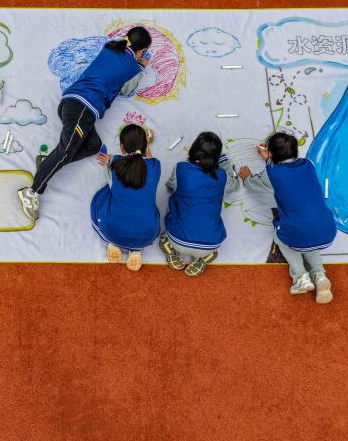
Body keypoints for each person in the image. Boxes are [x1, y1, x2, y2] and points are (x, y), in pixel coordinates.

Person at [18, 27, 152, 221]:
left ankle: (49, 162)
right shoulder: (132, 66)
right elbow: (126, 90)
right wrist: (140, 66)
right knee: (65, 152)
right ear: (141, 51)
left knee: (93, 145)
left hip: (72, 103)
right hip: (82, 108)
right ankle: (31, 192)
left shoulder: (110, 47)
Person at [238, 132, 337, 303]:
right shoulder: (309, 164)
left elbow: (254, 185)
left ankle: (300, 277)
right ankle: (319, 274)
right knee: (310, 238)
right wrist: (270, 158)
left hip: (298, 231)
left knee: (282, 238)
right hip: (327, 229)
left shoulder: (272, 173)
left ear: (271, 153)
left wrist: (247, 179)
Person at [159, 131, 240, 277]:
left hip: (177, 238)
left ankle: (169, 247)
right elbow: (234, 185)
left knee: (172, 203)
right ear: (217, 157)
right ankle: (203, 258)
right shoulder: (222, 174)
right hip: (210, 244)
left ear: (193, 149)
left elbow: (171, 186)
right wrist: (225, 162)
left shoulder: (181, 168)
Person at [90, 124, 161, 271]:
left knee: (104, 191)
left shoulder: (115, 163)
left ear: (122, 147)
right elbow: (148, 159)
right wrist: (146, 144)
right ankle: (136, 250)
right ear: (144, 145)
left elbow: (110, 181)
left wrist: (110, 162)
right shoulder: (156, 166)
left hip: (111, 229)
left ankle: (112, 243)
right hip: (146, 234)